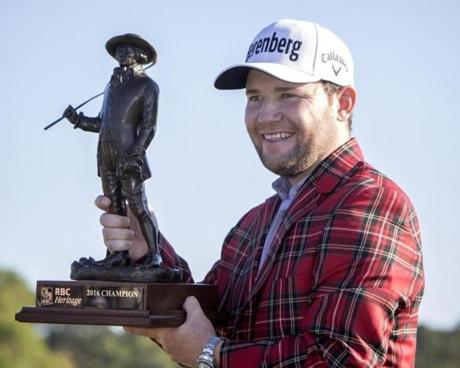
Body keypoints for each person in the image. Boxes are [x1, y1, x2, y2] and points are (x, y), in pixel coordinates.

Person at [96, 20, 424, 367]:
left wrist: (214, 356)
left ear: (343, 103)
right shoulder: (252, 226)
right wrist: (150, 253)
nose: (267, 115)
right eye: (255, 98)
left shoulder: (372, 205)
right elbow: (204, 325)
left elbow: (340, 358)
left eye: (289, 94)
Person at [64, 34, 168, 280]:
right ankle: (117, 256)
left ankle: (155, 256)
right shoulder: (111, 86)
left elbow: (148, 126)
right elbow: (102, 123)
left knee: (139, 207)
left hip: (129, 155)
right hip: (106, 155)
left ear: (141, 56)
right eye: (119, 51)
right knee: (115, 207)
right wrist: (77, 120)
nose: (122, 54)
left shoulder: (148, 85)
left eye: (128, 50)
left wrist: (137, 154)